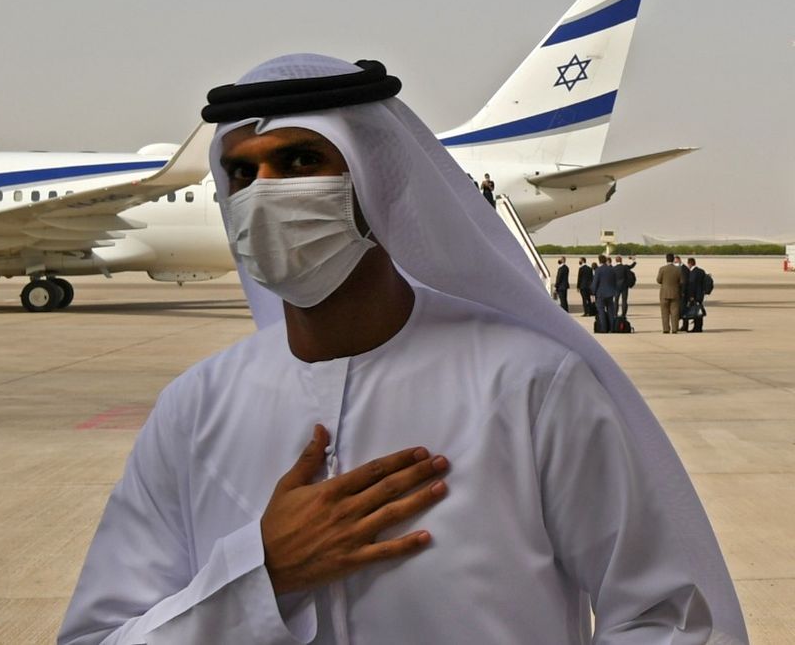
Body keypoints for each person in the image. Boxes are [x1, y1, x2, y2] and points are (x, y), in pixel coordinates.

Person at [58, 55, 746, 644]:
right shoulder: (194, 410)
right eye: (241, 174)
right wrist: (259, 574)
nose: (263, 194)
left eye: (300, 161)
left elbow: (669, 618)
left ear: (374, 181)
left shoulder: (530, 384)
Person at [657, 252, 687, 334]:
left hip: (664, 293)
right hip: (675, 293)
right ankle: (674, 329)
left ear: (666, 259)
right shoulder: (678, 269)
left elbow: (659, 280)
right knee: (675, 312)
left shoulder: (662, 269)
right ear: (673, 259)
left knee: (664, 312)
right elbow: (682, 281)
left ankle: (666, 328)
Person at [591, 254, 618, 333]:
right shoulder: (611, 269)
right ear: (606, 260)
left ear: (599, 261)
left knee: (601, 311)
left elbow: (595, 283)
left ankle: (604, 328)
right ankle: (612, 328)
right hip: (610, 293)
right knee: (611, 311)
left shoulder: (598, 270)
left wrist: (592, 293)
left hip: (601, 294)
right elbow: (614, 281)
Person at [684, 257, 707, 332]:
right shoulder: (701, 271)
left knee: (695, 311)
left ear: (690, 263)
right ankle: (699, 327)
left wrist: (691, 296)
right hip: (701, 294)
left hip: (695, 295)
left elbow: (692, 285)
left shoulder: (693, 273)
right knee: (699, 310)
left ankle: (696, 328)